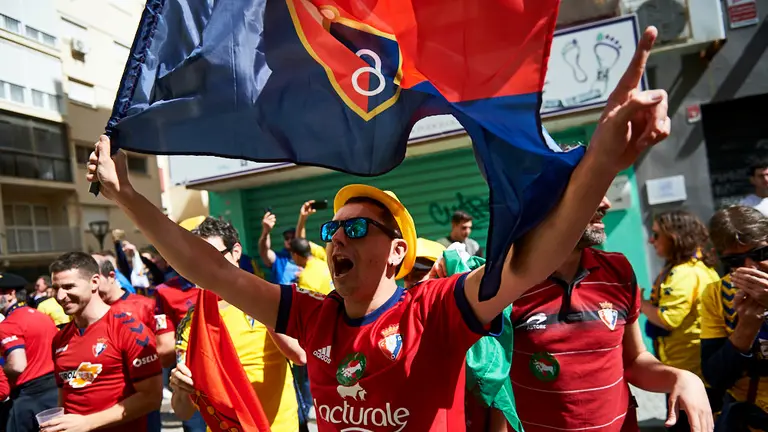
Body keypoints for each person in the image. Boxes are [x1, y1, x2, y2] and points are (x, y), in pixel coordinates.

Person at [87, 26, 672, 430]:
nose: (336, 238)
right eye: (333, 230)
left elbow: (527, 264)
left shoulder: (436, 311)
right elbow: (210, 270)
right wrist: (129, 198)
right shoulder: (312, 316)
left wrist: (599, 161)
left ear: (396, 252)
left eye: (356, 230)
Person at [471, 198, 712, 431]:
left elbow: (634, 360)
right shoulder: (503, 282)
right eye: (592, 185)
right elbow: (494, 384)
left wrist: (681, 377)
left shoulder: (618, 270)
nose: (605, 203)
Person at [169, 217, 304, 431]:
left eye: (213, 257)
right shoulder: (191, 323)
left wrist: (261, 305)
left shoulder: (269, 299)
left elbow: (300, 356)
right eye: (197, 260)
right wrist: (180, 388)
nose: (205, 268)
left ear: (236, 252)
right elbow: (183, 411)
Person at [43, 252, 162, 432]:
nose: (60, 296)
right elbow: (66, 395)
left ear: (95, 282)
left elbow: (151, 397)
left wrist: (88, 423)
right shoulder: (60, 338)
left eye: (69, 287)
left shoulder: (128, 329)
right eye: (55, 288)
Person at [641, 210, 721, 429]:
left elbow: (668, 320)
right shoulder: (690, 268)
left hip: (691, 374)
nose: (651, 240)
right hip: (690, 372)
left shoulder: (685, 273)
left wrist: (640, 304)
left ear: (674, 236)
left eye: (656, 235)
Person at [701, 206, 768, 430]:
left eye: (760, 254)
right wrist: (745, 329)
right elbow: (716, 377)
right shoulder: (717, 294)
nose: (751, 267)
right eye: (735, 261)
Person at [0, 273, 58, 432]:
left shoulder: (9, 324)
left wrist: (1, 371)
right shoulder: (41, 316)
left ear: (11, 294)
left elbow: (18, 365)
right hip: (55, 391)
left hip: (29, 397)